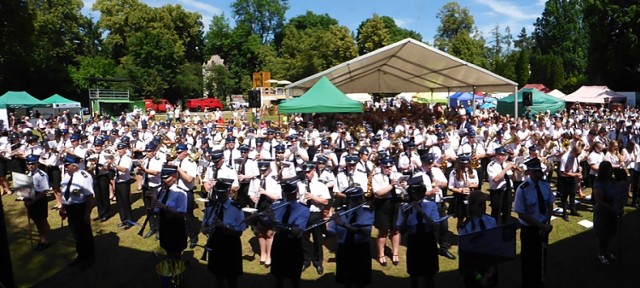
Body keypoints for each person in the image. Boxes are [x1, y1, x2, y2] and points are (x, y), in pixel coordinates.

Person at [513, 158, 554, 288]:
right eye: (535, 172)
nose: (539, 174)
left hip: (543, 227)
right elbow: (521, 213)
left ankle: (539, 281)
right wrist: (540, 226)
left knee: (541, 257)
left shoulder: (545, 185)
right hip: (530, 230)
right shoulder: (522, 189)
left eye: (540, 171)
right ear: (529, 172)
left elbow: (549, 204)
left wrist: (546, 222)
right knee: (528, 259)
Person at [327, 186, 374, 288]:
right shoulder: (340, 212)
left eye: (359, 198)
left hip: (360, 248)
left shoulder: (368, 212)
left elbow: (365, 231)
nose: (360, 200)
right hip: (344, 248)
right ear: (349, 199)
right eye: (355, 199)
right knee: (346, 280)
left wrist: (343, 224)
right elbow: (332, 232)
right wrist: (323, 230)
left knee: (361, 281)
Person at [202, 180, 246, 288]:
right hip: (215, 243)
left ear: (228, 191)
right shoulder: (211, 206)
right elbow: (204, 224)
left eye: (222, 193)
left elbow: (239, 232)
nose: (219, 196)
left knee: (231, 277)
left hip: (230, 245)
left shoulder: (236, 208)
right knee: (217, 274)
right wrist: (204, 229)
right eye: (218, 193)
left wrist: (224, 226)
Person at [397, 177, 440, 288]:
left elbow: (435, 226)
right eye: (417, 193)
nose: (420, 195)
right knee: (414, 274)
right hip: (414, 241)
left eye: (422, 192)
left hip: (428, 240)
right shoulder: (404, 208)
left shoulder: (431, 205)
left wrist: (421, 212)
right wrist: (406, 218)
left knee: (429, 275)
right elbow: (401, 231)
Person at [270, 180, 310, 288]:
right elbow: (269, 224)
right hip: (279, 241)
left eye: (291, 194)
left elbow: (296, 231)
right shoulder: (277, 205)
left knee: (294, 277)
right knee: (278, 276)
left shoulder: (303, 209)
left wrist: (275, 222)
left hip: (293, 244)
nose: (288, 196)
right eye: (286, 194)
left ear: (296, 192)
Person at [60, 154, 95, 268]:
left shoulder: (84, 177)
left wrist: (87, 214)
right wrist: (63, 207)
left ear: (75, 166)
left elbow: (89, 197)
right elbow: (65, 192)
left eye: (67, 165)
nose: (65, 167)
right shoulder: (66, 175)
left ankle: (89, 257)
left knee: (85, 234)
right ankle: (81, 255)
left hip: (80, 208)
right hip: (70, 208)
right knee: (76, 234)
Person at [459, 191, 498, 288]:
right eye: (480, 204)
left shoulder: (491, 221)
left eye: (484, 203)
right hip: (473, 271)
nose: (484, 207)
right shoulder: (466, 228)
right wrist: (479, 277)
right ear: (472, 207)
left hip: (490, 266)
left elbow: (496, 245)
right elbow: (465, 256)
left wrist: (491, 269)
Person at [371, 157, 406, 266]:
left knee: (395, 230)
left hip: (395, 204)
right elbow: (378, 193)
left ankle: (395, 253)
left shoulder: (397, 175)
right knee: (383, 231)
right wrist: (391, 185)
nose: (389, 169)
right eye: (386, 167)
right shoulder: (376, 177)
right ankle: (381, 254)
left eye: (390, 167)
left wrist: (403, 186)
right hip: (382, 205)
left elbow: (403, 193)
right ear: (381, 166)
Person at [247, 160, 282, 267]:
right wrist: (253, 196)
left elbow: (278, 196)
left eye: (265, 170)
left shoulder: (274, 180)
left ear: (269, 168)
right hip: (259, 207)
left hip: (270, 207)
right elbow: (251, 192)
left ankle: (269, 256)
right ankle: (263, 254)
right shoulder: (255, 179)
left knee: (269, 233)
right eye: (261, 170)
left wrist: (265, 192)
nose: (263, 172)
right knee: (260, 232)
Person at [299, 162, 331, 275]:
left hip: (316, 215)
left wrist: (313, 197)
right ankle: (306, 260)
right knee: (303, 239)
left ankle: (318, 262)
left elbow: (326, 201)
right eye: (305, 172)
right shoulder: (300, 184)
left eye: (308, 172)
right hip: (303, 215)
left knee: (318, 240)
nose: (306, 174)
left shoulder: (320, 185)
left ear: (313, 171)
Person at [592, 161, 626, 265]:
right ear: (604, 171)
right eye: (609, 169)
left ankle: (606, 251)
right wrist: (613, 210)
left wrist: (619, 206)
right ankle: (600, 254)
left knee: (610, 233)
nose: (612, 170)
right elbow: (599, 202)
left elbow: (617, 193)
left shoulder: (612, 180)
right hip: (603, 212)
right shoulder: (598, 184)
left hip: (613, 210)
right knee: (602, 234)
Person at [154, 165, 188, 260]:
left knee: (175, 250)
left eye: (166, 178)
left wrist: (164, 207)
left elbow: (182, 214)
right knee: (166, 246)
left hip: (175, 225)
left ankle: (177, 267)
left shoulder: (180, 193)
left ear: (174, 176)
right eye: (163, 178)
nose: (164, 180)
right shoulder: (161, 190)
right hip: (164, 223)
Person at [23, 154, 52, 251]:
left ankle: (46, 241)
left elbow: (44, 191)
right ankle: (42, 239)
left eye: (32, 164)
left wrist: (32, 202)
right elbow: (25, 189)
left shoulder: (42, 175)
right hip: (31, 199)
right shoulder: (28, 174)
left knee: (42, 221)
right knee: (36, 220)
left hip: (39, 200)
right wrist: (25, 199)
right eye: (28, 164)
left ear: (37, 163)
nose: (30, 166)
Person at [487, 146, 515, 224]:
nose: (502, 157)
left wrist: (515, 170)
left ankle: (505, 228)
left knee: (507, 211)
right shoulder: (492, 165)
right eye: (500, 155)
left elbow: (512, 178)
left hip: (508, 190)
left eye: (504, 155)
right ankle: (494, 229)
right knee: (496, 212)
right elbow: (496, 179)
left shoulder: (506, 163)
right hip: (497, 192)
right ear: (496, 155)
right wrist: (506, 169)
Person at [558, 142, 584, 221]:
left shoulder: (576, 156)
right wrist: (573, 174)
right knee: (565, 196)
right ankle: (564, 213)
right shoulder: (564, 158)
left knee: (573, 194)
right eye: (576, 155)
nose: (577, 156)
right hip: (565, 179)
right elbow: (562, 172)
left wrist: (580, 168)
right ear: (573, 151)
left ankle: (573, 210)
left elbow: (577, 164)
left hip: (574, 177)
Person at [113, 142, 134, 229]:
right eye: (118, 149)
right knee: (120, 203)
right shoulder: (117, 158)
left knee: (125, 202)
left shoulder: (128, 159)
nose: (119, 150)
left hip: (124, 182)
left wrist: (114, 164)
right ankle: (123, 220)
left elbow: (124, 169)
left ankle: (129, 220)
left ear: (125, 149)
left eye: (121, 149)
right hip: (118, 181)